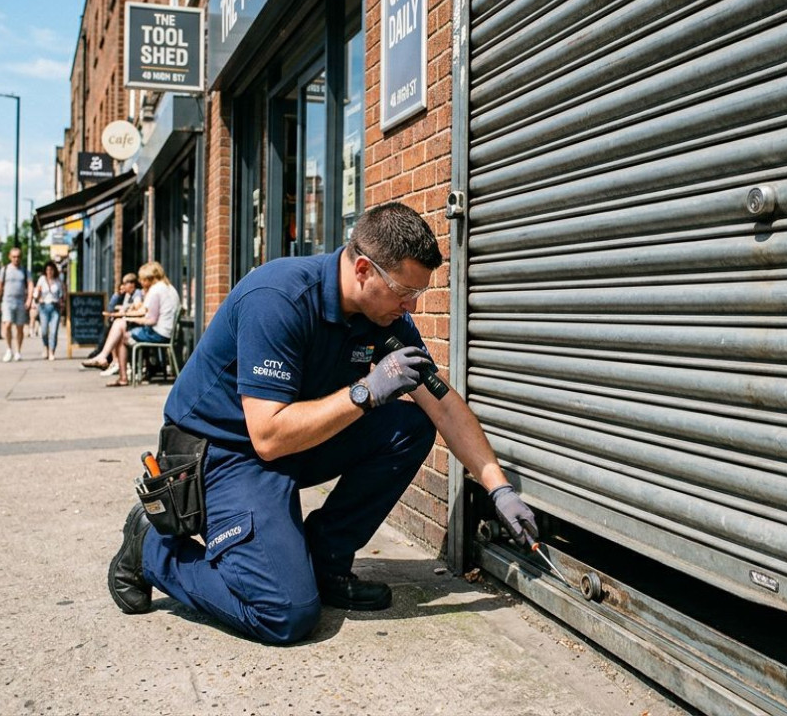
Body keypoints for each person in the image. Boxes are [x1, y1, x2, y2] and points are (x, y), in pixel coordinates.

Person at [106, 203, 538, 645]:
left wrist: (497, 487)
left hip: (291, 441)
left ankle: (324, 561)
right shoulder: (278, 299)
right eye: (405, 291)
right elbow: (268, 437)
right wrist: (365, 392)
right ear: (365, 270)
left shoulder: (383, 316)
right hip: (223, 452)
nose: (412, 305)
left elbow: (443, 405)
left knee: (410, 426)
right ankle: (153, 551)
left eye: (419, 294)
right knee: (284, 613)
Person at [82, 261, 179, 387]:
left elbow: (151, 320)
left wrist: (129, 318)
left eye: (143, 279)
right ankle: (104, 357)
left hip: (158, 334)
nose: (141, 282)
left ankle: (118, 372)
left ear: (150, 278)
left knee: (122, 332)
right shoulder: (169, 288)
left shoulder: (155, 290)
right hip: (167, 332)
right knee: (121, 325)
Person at [87, 273, 141, 369]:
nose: (124, 286)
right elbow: (111, 307)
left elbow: (137, 306)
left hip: (136, 324)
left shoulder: (137, 293)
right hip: (129, 321)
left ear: (132, 284)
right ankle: (109, 358)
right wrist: (118, 294)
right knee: (111, 327)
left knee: (115, 329)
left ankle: (112, 360)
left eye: (126, 284)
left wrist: (127, 308)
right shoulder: (127, 295)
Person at [0, 246, 29, 362]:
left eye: (18, 257)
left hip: (20, 301)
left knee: (20, 327)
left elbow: (30, 285)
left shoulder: (24, 271)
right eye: (14, 257)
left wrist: (29, 300)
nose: (16, 259)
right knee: (7, 324)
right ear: (10, 257)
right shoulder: (5, 270)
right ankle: (9, 349)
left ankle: (18, 351)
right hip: (7, 301)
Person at [31, 260, 65, 361]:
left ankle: (51, 351)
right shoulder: (42, 279)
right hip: (44, 306)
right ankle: (45, 346)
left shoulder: (58, 281)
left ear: (54, 271)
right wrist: (37, 297)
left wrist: (62, 301)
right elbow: (36, 292)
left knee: (54, 331)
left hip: (55, 307)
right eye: (47, 270)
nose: (49, 272)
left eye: (51, 270)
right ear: (45, 271)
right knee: (44, 330)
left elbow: (62, 294)